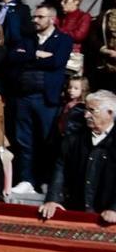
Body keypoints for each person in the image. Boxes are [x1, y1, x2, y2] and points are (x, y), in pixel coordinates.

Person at [8, 4, 73, 194]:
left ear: (51, 19)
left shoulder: (63, 39)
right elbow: (13, 57)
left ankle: (45, 180)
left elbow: (56, 62)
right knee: (23, 140)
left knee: (47, 141)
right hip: (24, 98)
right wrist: (36, 54)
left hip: (46, 99)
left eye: (40, 17)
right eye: (34, 17)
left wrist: (27, 58)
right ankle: (26, 180)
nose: (35, 20)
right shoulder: (26, 39)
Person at [41, 91, 116, 223]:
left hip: (108, 217)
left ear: (110, 113)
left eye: (92, 110)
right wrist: (52, 199)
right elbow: (60, 169)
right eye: (86, 109)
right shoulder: (73, 140)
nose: (86, 114)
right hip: (76, 212)